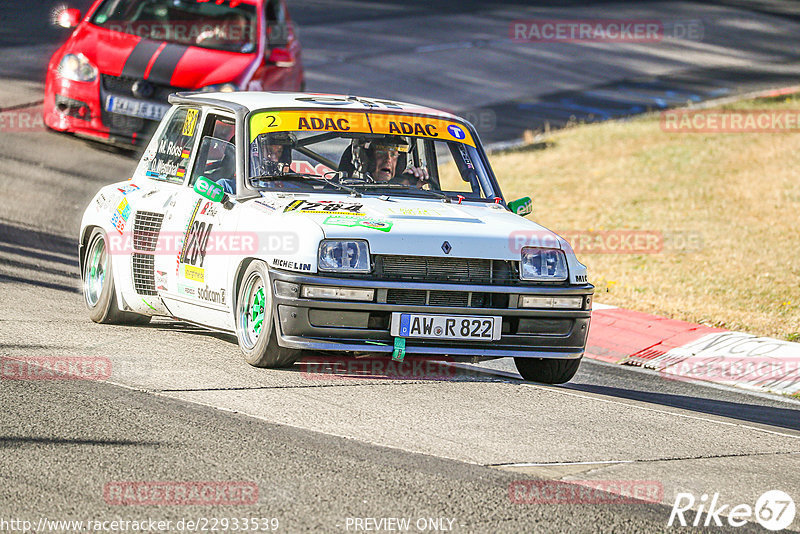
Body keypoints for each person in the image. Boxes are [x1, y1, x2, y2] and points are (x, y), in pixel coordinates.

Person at [353, 136, 429, 187]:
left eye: (393, 154)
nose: (388, 159)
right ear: (369, 159)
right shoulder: (352, 189)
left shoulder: (406, 186)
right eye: (381, 153)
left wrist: (415, 186)